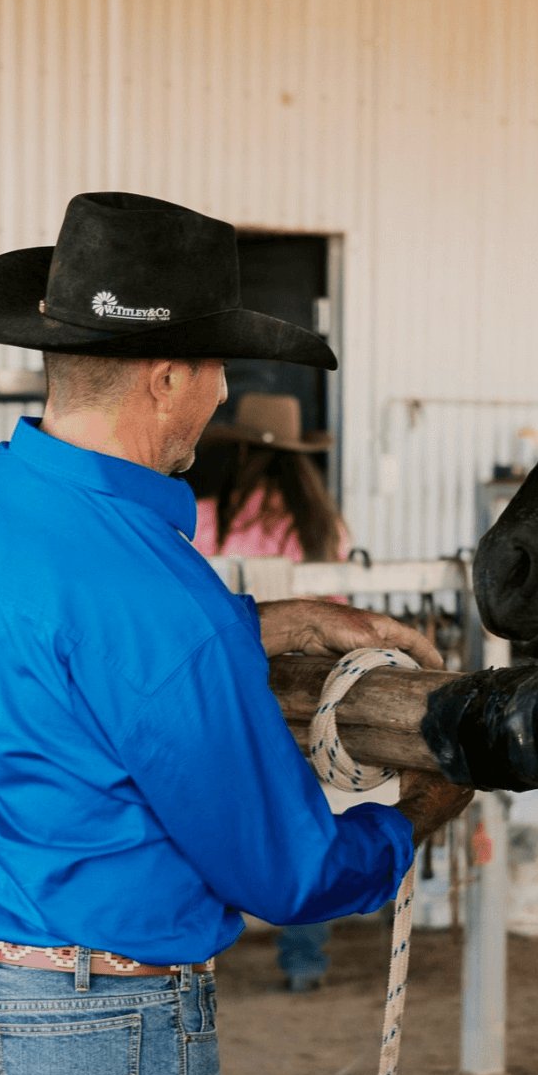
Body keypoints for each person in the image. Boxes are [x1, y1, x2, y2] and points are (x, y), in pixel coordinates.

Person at [0, 191, 471, 1075]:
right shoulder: (165, 606)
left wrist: (250, 620)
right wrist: (430, 803)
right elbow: (289, 870)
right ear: (164, 375)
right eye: (213, 365)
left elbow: (45, 657)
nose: (220, 394)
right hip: (93, 1027)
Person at [194, 391, 348, 991]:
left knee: (205, 817)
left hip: (226, 693)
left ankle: (201, 949)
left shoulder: (207, 518)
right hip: (303, 693)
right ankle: (304, 960)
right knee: (305, 823)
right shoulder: (319, 524)